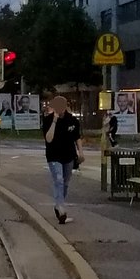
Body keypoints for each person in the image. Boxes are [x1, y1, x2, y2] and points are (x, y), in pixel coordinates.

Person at [42, 93, 82, 224]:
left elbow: (77, 137)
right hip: (54, 156)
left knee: (65, 183)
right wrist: (54, 120)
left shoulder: (73, 121)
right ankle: (61, 208)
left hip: (69, 156)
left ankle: (58, 204)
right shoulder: (48, 120)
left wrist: (81, 153)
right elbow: (48, 138)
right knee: (58, 180)